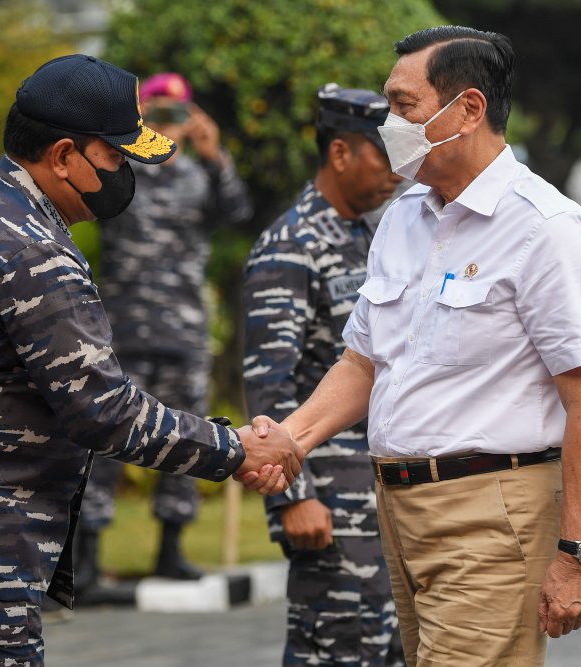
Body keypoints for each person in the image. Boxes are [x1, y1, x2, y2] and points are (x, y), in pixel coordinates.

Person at [0, 54, 301, 667]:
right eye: (115, 157)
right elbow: (103, 411)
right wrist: (236, 450)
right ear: (63, 155)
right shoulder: (29, 249)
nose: (123, 173)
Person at [274, 26, 581, 666]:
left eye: (404, 105)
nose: (388, 122)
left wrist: (578, 556)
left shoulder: (548, 230)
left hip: (491, 514)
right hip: (401, 513)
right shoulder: (405, 218)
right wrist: (291, 439)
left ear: (468, 109)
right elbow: (363, 362)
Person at [242, 83, 404, 666]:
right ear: (341, 153)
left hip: (383, 490)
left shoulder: (376, 237)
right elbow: (269, 382)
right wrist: (291, 499)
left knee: (389, 648)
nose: (398, 174)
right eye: (384, 157)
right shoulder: (290, 246)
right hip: (330, 499)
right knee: (336, 648)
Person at [76, 72, 254, 592]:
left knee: (186, 440)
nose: (168, 122)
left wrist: (214, 153)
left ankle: (171, 552)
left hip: (184, 333)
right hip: (123, 328)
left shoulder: (204, 177)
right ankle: (86, 557)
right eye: (158, 112)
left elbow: (238, 211)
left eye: (177, 113)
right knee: (107, 440)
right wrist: (135, 139)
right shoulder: (123, 168)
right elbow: (100, 199)